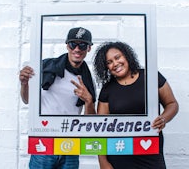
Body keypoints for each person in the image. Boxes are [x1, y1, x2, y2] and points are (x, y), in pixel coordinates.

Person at [93, 41, 179, 169]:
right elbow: (101, 130)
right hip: (119, 153)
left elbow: (172, 104)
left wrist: (163, 118)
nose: (115, 64)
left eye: (117, 57)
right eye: (109, 62)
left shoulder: (151, 77)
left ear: (126, 56)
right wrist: (103, 161)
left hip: (150, 149)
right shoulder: (107, 90)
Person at [19, 27, 96, 169]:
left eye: (83, 45)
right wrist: (24, 84)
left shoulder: (87, 80)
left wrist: (88, 101)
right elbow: (27, 100)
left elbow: (90, 123)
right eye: (73, 44)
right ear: (67, 45)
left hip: (70, 146)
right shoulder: (46, 66)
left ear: (89, 48)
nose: (77, 49)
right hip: (44, 143)